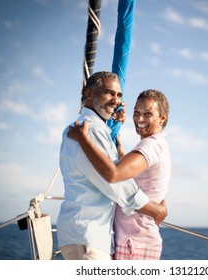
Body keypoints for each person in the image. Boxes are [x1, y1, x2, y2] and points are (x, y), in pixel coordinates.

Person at [57, 71, 167, 260]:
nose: (116, 101)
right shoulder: (89, 130)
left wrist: (113, 122)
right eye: (109, 93)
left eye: (119, 95)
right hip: (88, 236)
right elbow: (113, 181)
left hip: (82, 234)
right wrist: (154, 209)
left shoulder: (86, 126)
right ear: (89, 94)